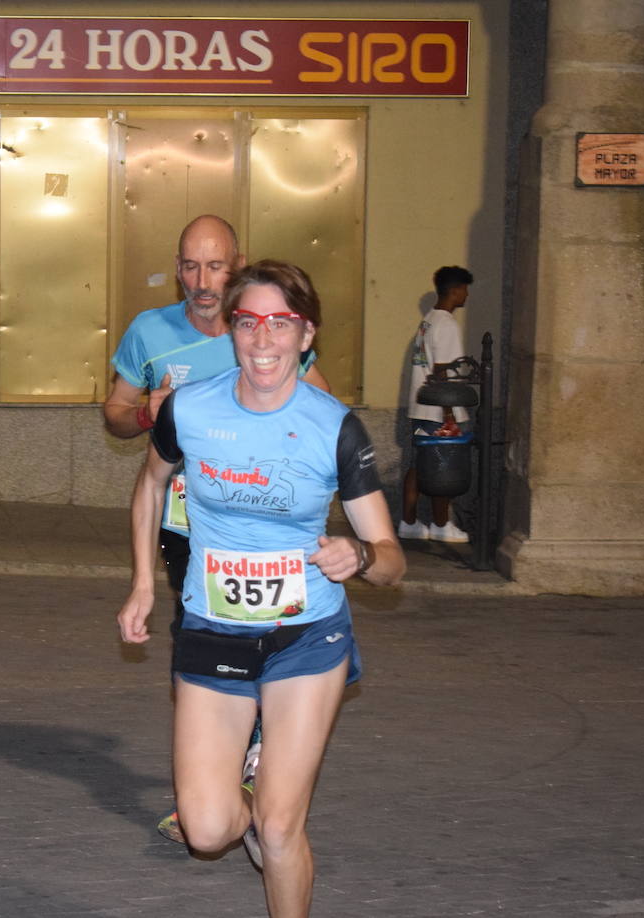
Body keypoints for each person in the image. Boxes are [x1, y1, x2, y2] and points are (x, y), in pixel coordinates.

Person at [116, 260, 404, 918]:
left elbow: (392, 560)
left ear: (306, 335)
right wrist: (142, 584)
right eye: (249, 323)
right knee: (208, 830)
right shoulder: (190, 409)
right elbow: (150, 484)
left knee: (280, 828)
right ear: (231, 331)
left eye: (282, 323)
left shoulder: (334, 426)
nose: (263, 339)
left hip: (306, 636)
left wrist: (359, 555)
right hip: (212, 628)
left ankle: (274, 831)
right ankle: (248, 809)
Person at [103, 214, 329, 842]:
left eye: (216, 266)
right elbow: (115, 414)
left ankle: (261, 766)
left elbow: (321, 407)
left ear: (237, 265)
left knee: (270, 633)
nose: (203, 282)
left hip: (265, 522)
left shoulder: (262, 327)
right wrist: (147, 414)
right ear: (177, 268)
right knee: (201, 638)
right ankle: (217, 778)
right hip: (185, 522)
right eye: (190, 266)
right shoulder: (150, 331)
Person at [399, 266, 473, 542]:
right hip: (440, 408)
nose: (466, 295)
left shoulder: (427, 322)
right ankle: (442, 524)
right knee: (444, 465)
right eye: (465, 289)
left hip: (421, 407)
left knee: (420, 465)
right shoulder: (447, 324)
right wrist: (450, 414)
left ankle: (409, 522)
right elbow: (443, 371)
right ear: (455, 290)